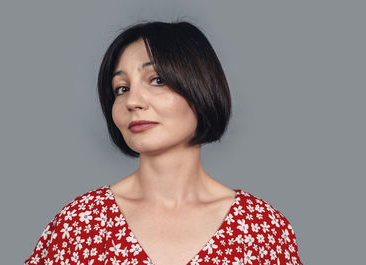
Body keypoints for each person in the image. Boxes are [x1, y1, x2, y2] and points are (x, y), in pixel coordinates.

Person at [24, 21, 303, 265]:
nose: (132, 101)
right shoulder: (80, 224)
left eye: (156, 80)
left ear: (201, 88)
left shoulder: (261, 228)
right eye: (121, 89)